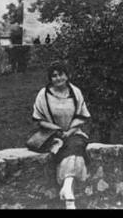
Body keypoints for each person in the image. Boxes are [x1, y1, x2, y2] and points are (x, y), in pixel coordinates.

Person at [31, 61, 91, 209]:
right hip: (52, 134)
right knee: (74, 150)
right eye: (54, 76)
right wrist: (57, 129)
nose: (58, 78)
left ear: (67, 75)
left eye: (61, 74)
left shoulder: (75, 92)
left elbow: (81, 115)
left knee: (76, 144)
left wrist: (69, 131)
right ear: (50, 79)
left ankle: (67, 186)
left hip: (73, 131)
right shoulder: (43, 95)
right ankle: (68, 189)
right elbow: (39, 120)